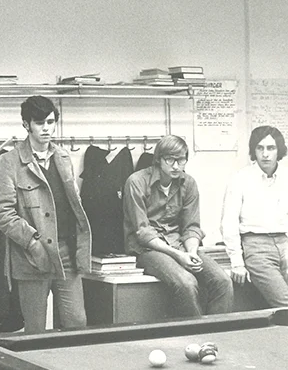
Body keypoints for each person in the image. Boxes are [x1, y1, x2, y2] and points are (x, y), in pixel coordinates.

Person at [0, 95, 92, 333]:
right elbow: (0, 211)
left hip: (67, 251)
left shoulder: (63, 157)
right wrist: (32, 242)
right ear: (26, 124)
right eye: (39, 123)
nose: (46, 128)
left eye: (50, 122)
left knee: (77, 323)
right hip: (32, 257)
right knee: (35, 330)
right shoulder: (9, 162)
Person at [122, 135, 233, 317]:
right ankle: (197, 335)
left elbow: (191, 226)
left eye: (181, 160)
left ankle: (217, 333)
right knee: (186, 282)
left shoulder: (188, 183)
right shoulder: (136, 182)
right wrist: (179, 255)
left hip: (180, 245)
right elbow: (143, 233)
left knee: (222, 280)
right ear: (158, 159)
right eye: (170, 160)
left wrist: (191, 253)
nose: (176, 166)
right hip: (147, 250)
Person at [221, 125, 288, 307]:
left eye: (271, 148)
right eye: (260, 148)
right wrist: (237, 262)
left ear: (279, 150)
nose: (265, 154)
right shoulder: (240, 178)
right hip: (256, 247)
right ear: (254, 151)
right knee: (285, 304)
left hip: (285, 243)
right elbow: (229, 223)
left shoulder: (286, 177)